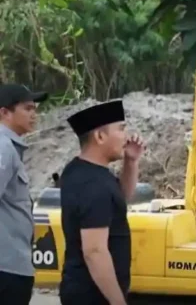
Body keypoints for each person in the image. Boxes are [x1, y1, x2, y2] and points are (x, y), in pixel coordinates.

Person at [58, 100, 145, 305]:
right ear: (99, 136)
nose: (126, 136)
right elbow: (94, 251)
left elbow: (120, 199)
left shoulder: (82, 171)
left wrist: (131, 162)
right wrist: (118, 302)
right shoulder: (92, 184)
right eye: (121, 129)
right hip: (93, 295)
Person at [0, 84, 48, 305]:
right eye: (27, 108)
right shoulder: (3, 148)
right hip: (6, 269)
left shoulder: (10, 148)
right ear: (4, 112)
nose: (33, 114)